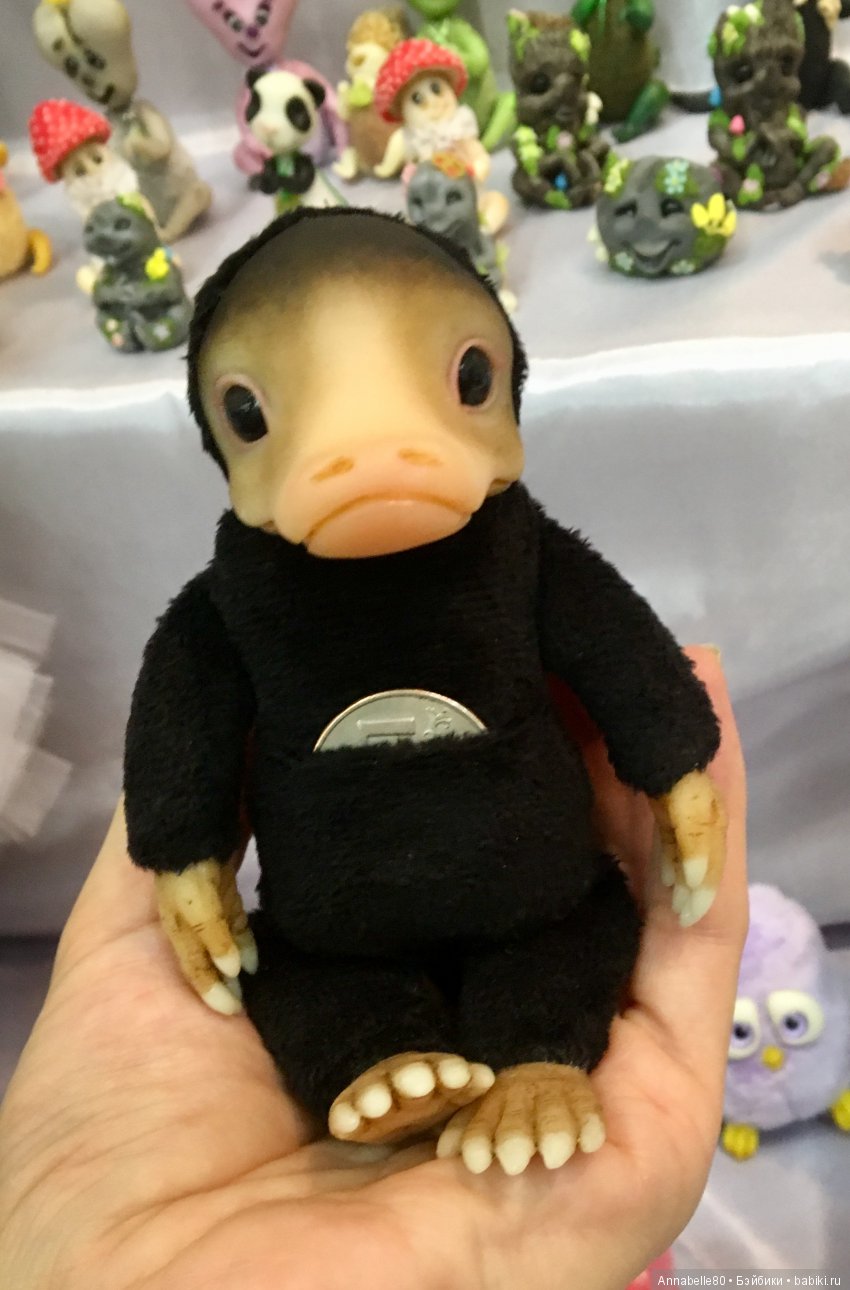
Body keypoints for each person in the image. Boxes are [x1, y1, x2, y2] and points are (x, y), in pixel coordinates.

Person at [0, 646, 747, 1289]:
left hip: (535, 901)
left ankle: (538, 1064)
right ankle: (377, 1061)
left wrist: (673, 764)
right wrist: (181, 846)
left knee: (567, 941)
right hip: (336, 932)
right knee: (302, 979)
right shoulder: (234, 602)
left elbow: (616, 649)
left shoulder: (525, 562)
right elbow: (187, 701)